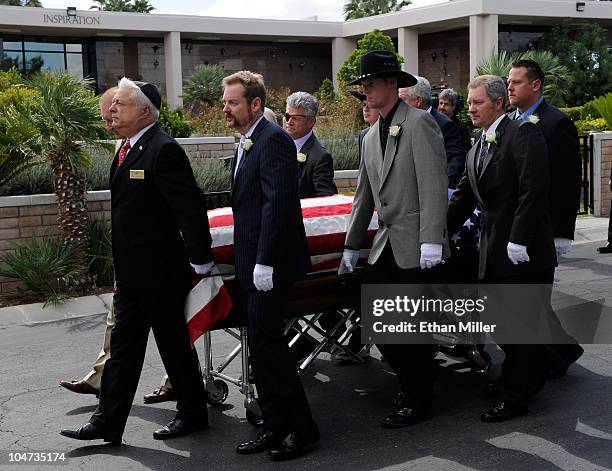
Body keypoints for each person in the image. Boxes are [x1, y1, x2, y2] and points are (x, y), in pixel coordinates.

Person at [60, 78, 214, 444]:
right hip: (131, 274)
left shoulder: (163, 149)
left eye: (122, 104)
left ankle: (192, 414)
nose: (112, 108)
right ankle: (107, 422)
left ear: (145, 111)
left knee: (174, 349)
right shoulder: (127, 148)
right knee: (122, 352)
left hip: (160, 274)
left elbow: (189, 208)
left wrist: (201, 259)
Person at [339, 50, 450, 427]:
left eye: (370, 85)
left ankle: (419, 399)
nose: (365, 92)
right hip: (386, 243)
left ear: (391, 84)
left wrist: (432, 239)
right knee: (379, 320)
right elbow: (363, 196)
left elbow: (435, 184)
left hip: (418, 244)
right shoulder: (370, 135)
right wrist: (352, 245)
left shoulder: (419, 123)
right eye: (363, 86)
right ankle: (414, 385)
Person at [447, 75, 556, 422]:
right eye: (469, 102)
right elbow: (464, 198)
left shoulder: (523, 133)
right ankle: (530, 371)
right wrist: (436, 236)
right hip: (491, 250)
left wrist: (519, 238)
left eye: (477, 102)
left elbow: (532, 189)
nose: (470, 108)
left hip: (523, 251)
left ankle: (515, 396)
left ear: (498, 102)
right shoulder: (477, 145)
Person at [222, 71, 319, 461]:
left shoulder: (274, 140)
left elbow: (276, 206)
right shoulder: (250, 140)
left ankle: (302, 428)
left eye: (233, 102)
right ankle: (274, 423)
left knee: (271, 349)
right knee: (260, 349)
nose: (226, 108)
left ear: (255, 104)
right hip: (252, 263)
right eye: (226, 101)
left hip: (270, 265)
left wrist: (263, 262)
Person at [507, 59, 584, 377]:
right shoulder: (509, 121)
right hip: (515, 227)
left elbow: (568, 180)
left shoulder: (556, 123)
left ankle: (546, 362)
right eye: (508, 82)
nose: (509, 87)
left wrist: (563, 231)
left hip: (543, 228)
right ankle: (564, 349)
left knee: (532, 300)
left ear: (535, 85)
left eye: (516, 82)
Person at [59, 87, 120, 398]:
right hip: (131, 262)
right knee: (117, 321)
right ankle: (99, 379)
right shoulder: (125, 148)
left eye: (111, 113)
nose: (107, 122)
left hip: (156, 262)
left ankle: (179, 382)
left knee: (172, 329)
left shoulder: (158, 148)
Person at [399, 77, 466, 189]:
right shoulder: (401, 123)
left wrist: (439, 190)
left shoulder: (444, 124)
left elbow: (455, 162)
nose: (399, 106)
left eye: (403, 100)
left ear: (418, 100)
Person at [284, 91, 337, 198]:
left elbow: (325, 200)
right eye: (287, 116)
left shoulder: (320, 157)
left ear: (311, 122)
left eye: (295, 118)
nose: (289, 122)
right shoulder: (277, 147)